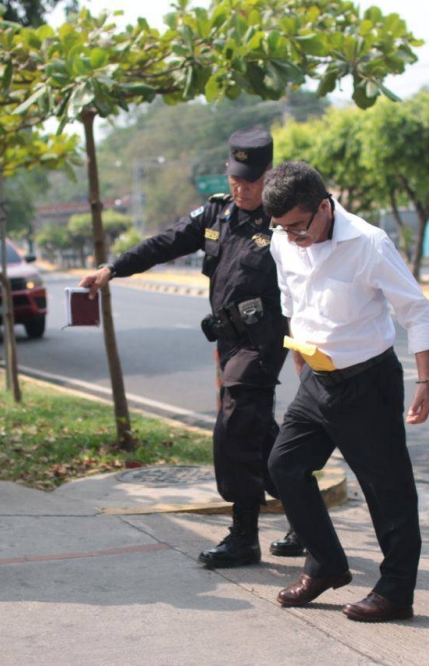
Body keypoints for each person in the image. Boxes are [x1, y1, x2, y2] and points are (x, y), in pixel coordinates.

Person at [80, 128, 301, 568]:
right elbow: (165, 242)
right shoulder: (216, 214)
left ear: (269, 177)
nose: (241, 189)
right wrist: (113, 268)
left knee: (233, 428)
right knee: (257, 433)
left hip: (262, 340)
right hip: (228, 339)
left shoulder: (285, 222)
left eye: (251, 182)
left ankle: (243, 536)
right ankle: (303, 513)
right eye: (236, 179)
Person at [262, 162, 429, 623]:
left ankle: (397, 591)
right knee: (284, 465)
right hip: (316, 379)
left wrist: (424, 382)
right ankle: (325, 564)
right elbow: (290, 299)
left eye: (299, 227)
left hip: (367, 383)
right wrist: (301, 361)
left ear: (324, 207)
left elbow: (417, 314)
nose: (292, 238)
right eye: (282, 229)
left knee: (388, 491)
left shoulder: (368, 244)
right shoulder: (284, 241)